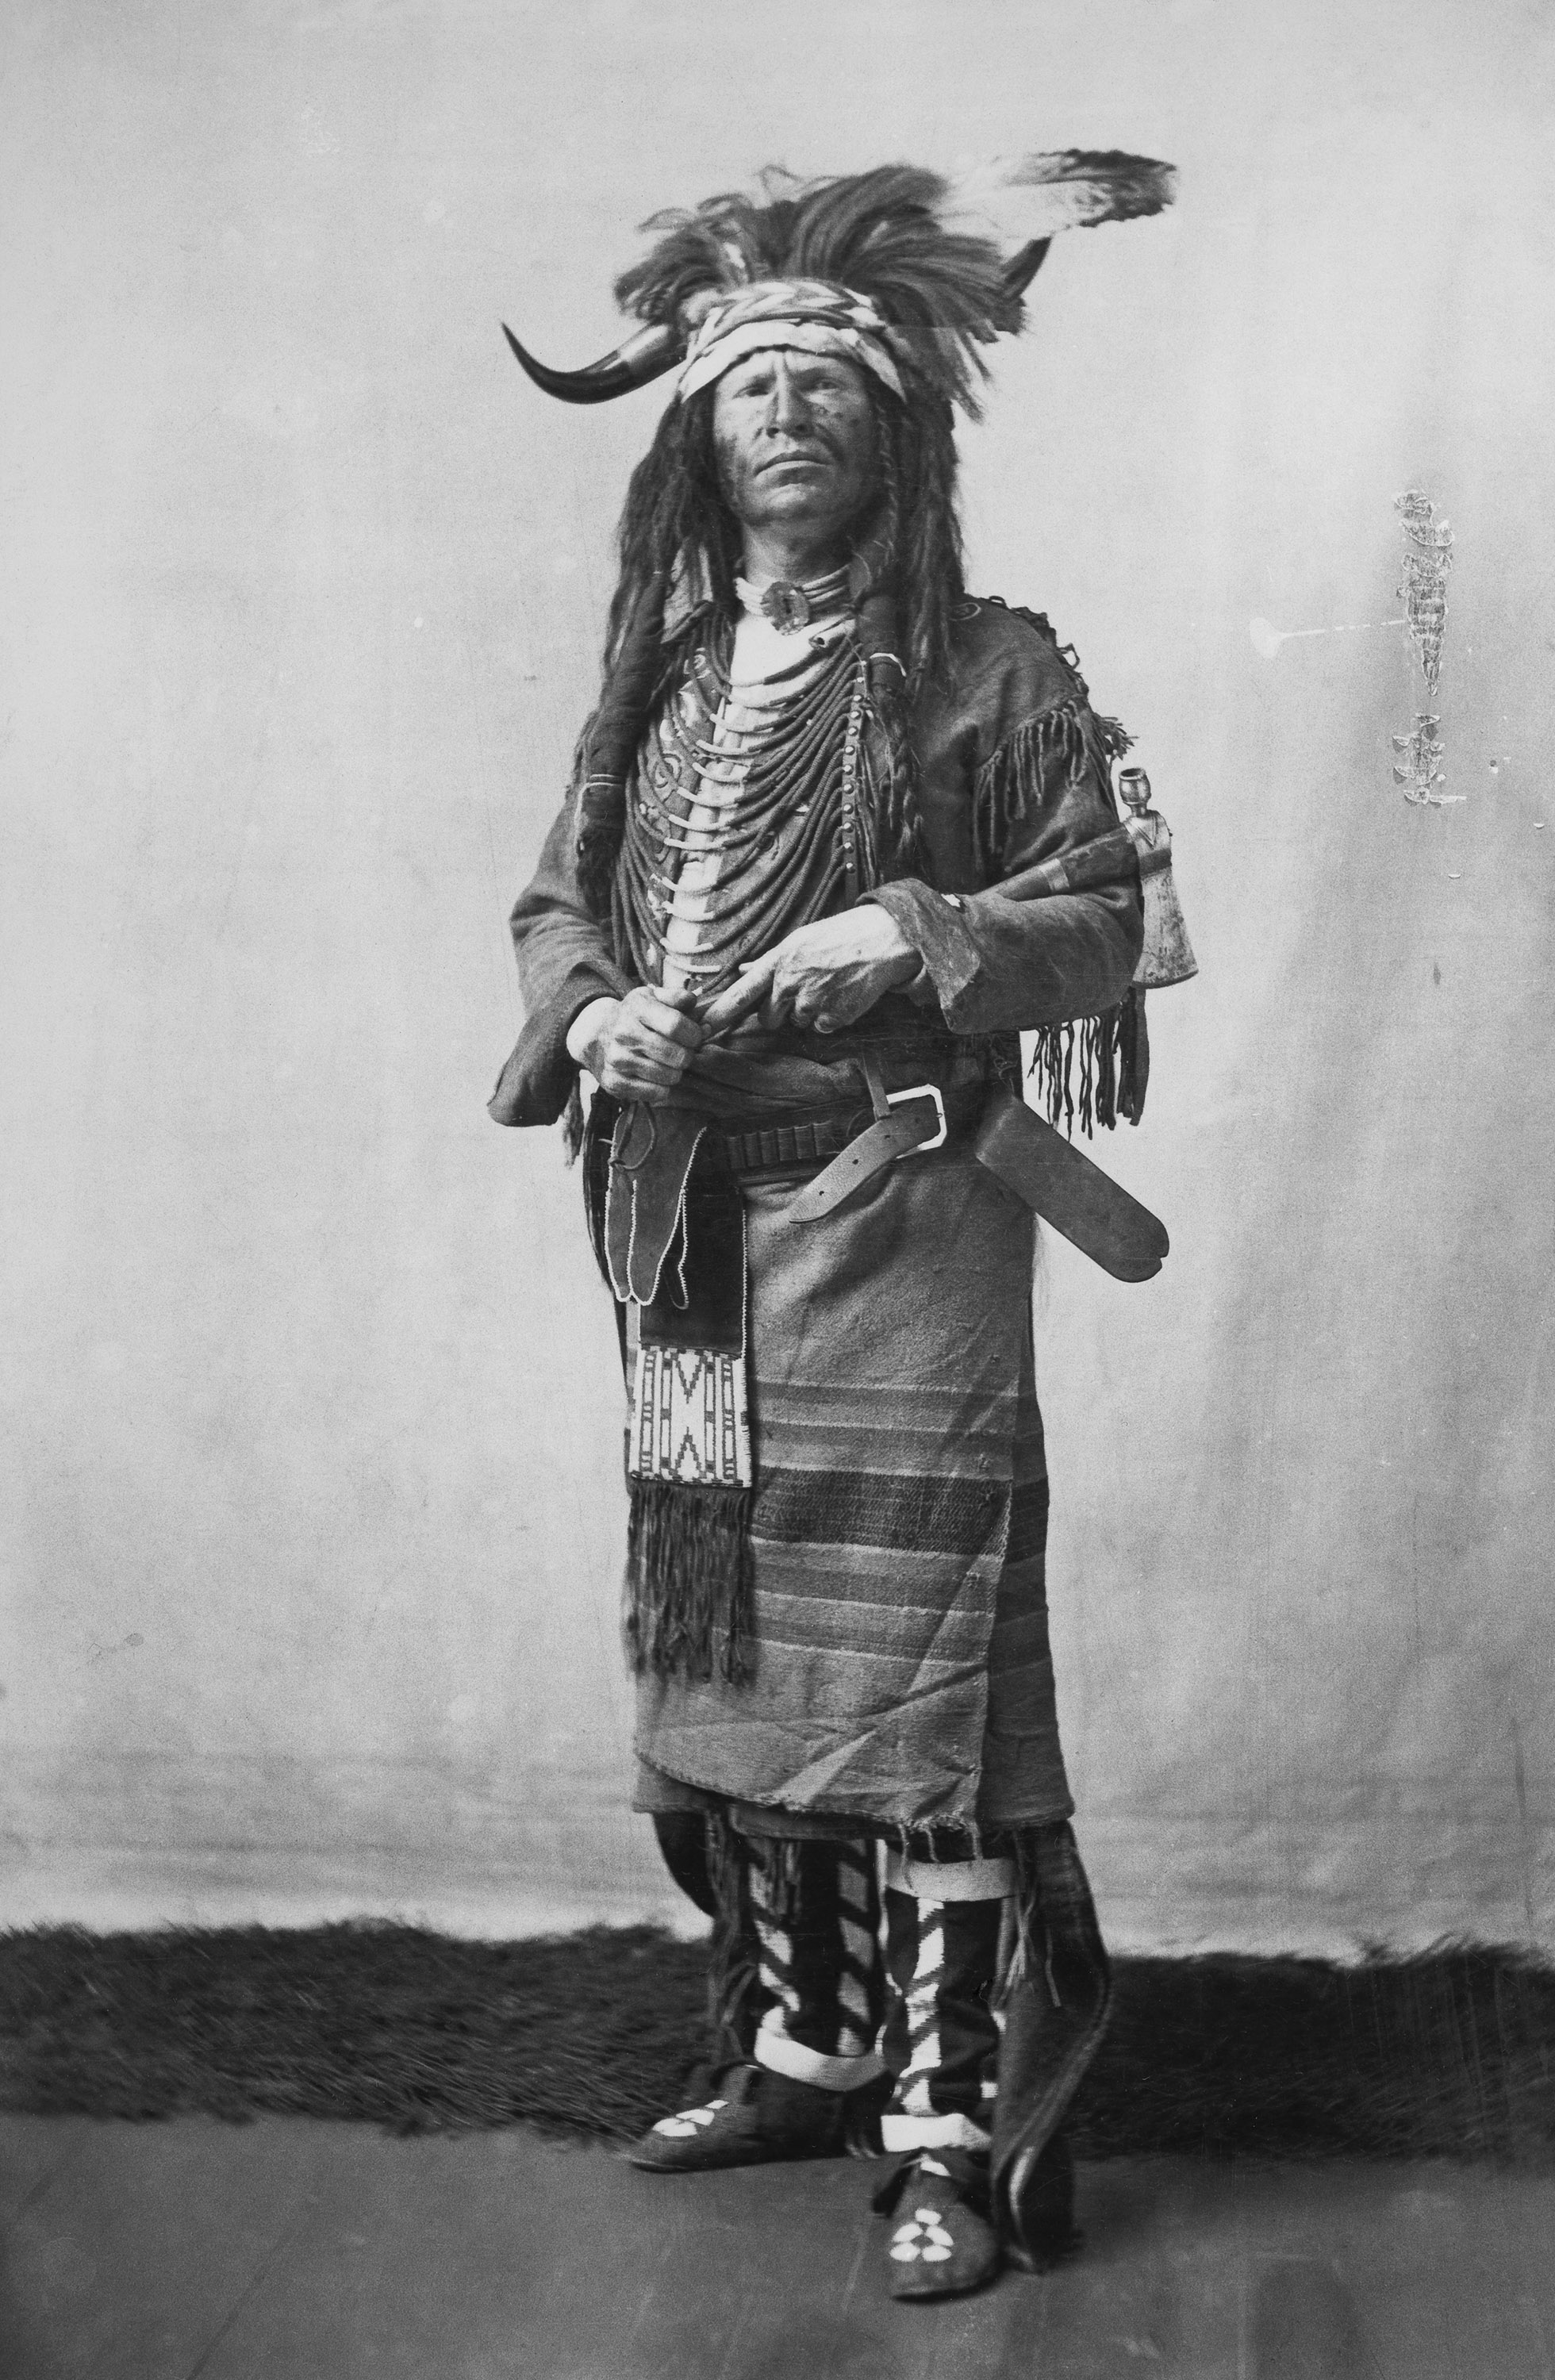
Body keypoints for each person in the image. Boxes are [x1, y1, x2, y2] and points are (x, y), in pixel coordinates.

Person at [490, 155, 1173, 2300]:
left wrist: (908, 927)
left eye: (831, 385)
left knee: (928, 1686)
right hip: (683, 1216)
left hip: (901, 1210)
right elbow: (552, 904)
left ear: (901, 432)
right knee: (739, 1645)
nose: (789, 416)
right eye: (750, 387)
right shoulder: (661, 679)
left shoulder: (992, 665)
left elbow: (1124, 913)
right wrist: (591, 1008)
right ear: (697, 437)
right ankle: (802, 2041)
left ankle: (946, 2115)